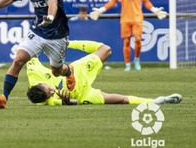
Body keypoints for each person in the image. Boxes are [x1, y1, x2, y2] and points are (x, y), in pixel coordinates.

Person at [26, 40, 182, 106]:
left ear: (39, 84)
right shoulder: (48, 101)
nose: (52, 91)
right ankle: (155, 101)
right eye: (51, 93)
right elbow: (73, 103)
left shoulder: (34, 73)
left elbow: (30, 51)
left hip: (78, 72)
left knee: (105, 49)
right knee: (121, 100)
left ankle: (67, 50)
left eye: (49, 89)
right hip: (83, 95)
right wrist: (67, 102)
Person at [90, 0, 168, 71]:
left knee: (138, 40)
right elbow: (113, 1)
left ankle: (136, 60)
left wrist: (155, 10)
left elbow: (146, 2)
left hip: (137, 18)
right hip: (125, 19)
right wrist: (101, 10)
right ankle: (127, 64)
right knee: (126, 42)